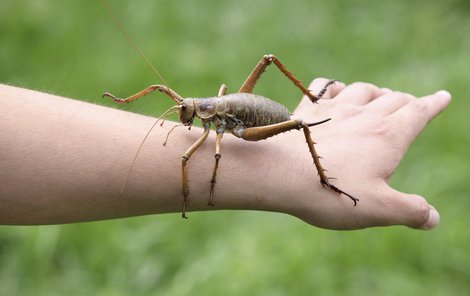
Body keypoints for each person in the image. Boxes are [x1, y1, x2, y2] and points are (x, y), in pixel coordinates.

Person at [0, 79, 451, 229]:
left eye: (188, 112)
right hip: (231, 114)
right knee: (188, 141)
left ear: (201, 113)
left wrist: (204, 183)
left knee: (200, 155)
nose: (184, 115)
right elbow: (168, 93)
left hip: (251, 121)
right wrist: (125, 106)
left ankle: (324, 171)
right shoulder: (198, 111)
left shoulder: (213, 127)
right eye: (186, 111)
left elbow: (209, 155)